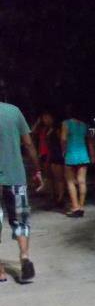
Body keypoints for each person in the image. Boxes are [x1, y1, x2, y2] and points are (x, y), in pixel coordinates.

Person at [0, 100, 44, 285]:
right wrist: (37, 170)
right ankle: (24, 257)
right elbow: (28, 143)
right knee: (21, 220)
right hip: (16, 176)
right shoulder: (14, 111)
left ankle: (0, 271)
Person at [61, 105, 95, 217]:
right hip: (83, 154)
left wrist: (63, 151)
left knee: (70, 182)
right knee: (82, 181)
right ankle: (81, 207)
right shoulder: (84, 125)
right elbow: (89, 140)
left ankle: (75, 207)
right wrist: (93, 154)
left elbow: (63, 139)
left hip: (71, 154)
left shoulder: (66, 123)